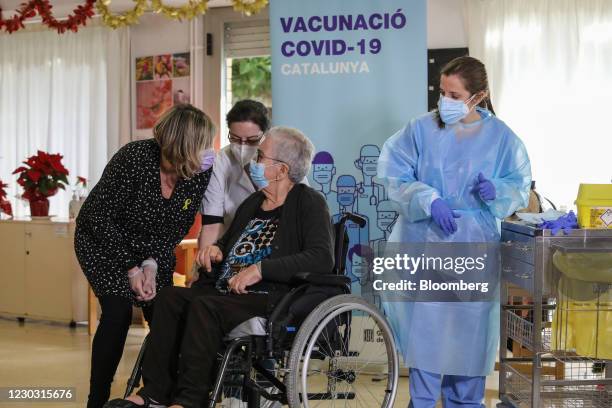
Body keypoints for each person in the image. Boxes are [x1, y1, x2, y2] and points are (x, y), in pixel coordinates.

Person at [105, 126, 333, 408]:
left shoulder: (308, 202)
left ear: (282, 170)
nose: (253, 161)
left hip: (272, 297)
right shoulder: (253, 202)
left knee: (206, 307)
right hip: (227, 290)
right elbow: (228, 244)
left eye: (261, 156)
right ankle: (154, 392)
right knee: (169, 297)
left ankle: (189, 400)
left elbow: (321, 257)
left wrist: (262, 269)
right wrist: (216, 250)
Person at [378, 56, 532, 407]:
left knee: (469, 333)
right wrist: (428, 199)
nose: (444, 101)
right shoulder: (420, 129)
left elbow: (518, 183)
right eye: (442, 92)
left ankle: (465, 402)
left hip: (474, 246)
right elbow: (393, 172)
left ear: (478, 96)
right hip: (424, 241)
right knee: (427, 331)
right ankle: (422, 402)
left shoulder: (501, 137)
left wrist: (498, 190)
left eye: (454, 94)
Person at [75, 104, 216, 408]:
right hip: (103, 241)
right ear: (183, 145)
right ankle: (96, 399)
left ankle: (159, 393)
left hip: (155, 248)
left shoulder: (197, 172)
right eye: (202, 144)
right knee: (118, 312)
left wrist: (150, 265)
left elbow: (178, 225)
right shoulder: (134, 158)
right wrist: (130, 268)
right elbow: (97, 217)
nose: (207, 152)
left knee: (165, 311)